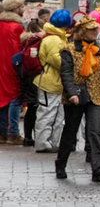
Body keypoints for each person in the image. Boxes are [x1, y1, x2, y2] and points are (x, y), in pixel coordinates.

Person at [55, 16, 100, 182]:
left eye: (96, 29)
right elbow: (65, 73)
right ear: (81, 32)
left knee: (95, 132)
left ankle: (98, 170)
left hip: (96, 95)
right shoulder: (69, 50)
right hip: (77, 96)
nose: (95, 32)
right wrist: (72, 93)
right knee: (70, 132)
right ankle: (60, 164)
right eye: (91, 29)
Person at [33, 9, 72, 152]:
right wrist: (71, 63)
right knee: (49, 113)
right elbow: (57, 60)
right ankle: (44, 143)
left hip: (51, 81)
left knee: (50, 113)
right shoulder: (56, 39)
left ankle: (51, 142)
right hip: (52, 82)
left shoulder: (54, 37)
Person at [0, 0, 26, 145]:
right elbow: (18, 51)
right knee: (14, 99)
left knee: (2, 100)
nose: (24, 8)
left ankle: (2, 132)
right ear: (16, 9)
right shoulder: (16, 27)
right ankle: (13, 132)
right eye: (22, 6)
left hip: (1, 67)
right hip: (11, 68)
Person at [15, 19, 43, 147]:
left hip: (26, 75)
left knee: (30, 107)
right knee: (38, 107)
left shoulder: (24, 40)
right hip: (38, 75)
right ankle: (38, 135)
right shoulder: (40, 39)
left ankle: (27, 137)